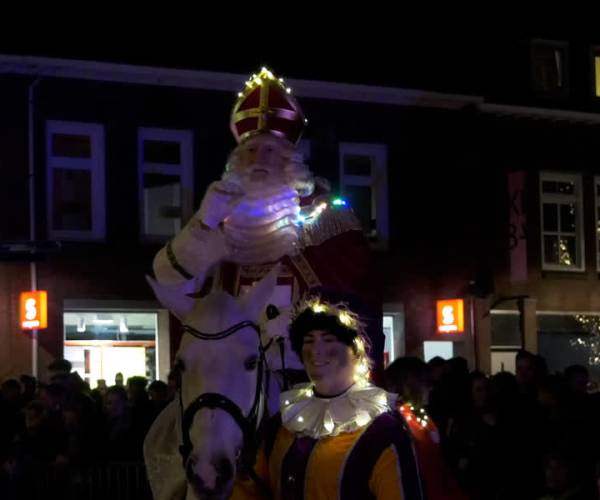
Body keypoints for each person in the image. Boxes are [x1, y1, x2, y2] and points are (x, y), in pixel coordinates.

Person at [148, 66, 383, 377]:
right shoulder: (219, 222)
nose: (259, 159)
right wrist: (204, 222)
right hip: (232, 386)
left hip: (308, 380)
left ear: (290, 162)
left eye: (270, 150)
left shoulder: (328, 218)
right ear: (235, 162)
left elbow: (357, 300)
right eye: (251, 150)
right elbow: (168, 283)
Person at [232, 296, 422, 499]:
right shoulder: (283, 423)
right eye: (309, 340)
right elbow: (248, 492)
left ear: (357, 351)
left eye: (329, 339)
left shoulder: (384, 431)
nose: (315, 350)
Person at [385, 357, 467, 500]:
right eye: (427, 382)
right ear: (410, 384)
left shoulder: (421, 418)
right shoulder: (396, 422)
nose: (431, 387)